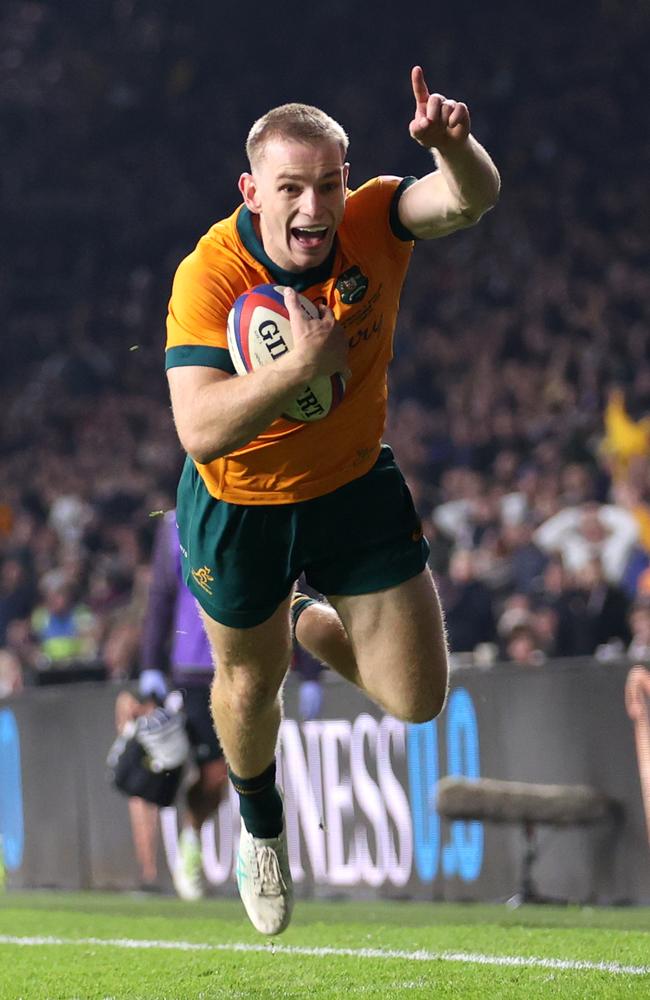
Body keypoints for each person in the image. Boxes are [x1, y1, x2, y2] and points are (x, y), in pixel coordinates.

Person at [165, 67, 500, 934]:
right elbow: (199, 429)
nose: (314, 207)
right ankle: (261, 828)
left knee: (422, 701)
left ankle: (319, 622)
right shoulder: (209, 273)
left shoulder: (371, 217)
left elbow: (466, 204)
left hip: (353, 482)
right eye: (291, 189)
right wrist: (293, 371)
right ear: (252, 191)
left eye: (327, 184)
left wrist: (455, 149)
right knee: (248, 684)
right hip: (239, 501)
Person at [137, 509, 228, 900]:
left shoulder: (257, 501)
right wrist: (150, 665)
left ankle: (257, 856)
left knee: (250, 770)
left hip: (249, 662)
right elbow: (161, 596)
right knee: (215, 775)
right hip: (195, 668)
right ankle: (191, 844)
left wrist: (307, 669)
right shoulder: (175, 522)